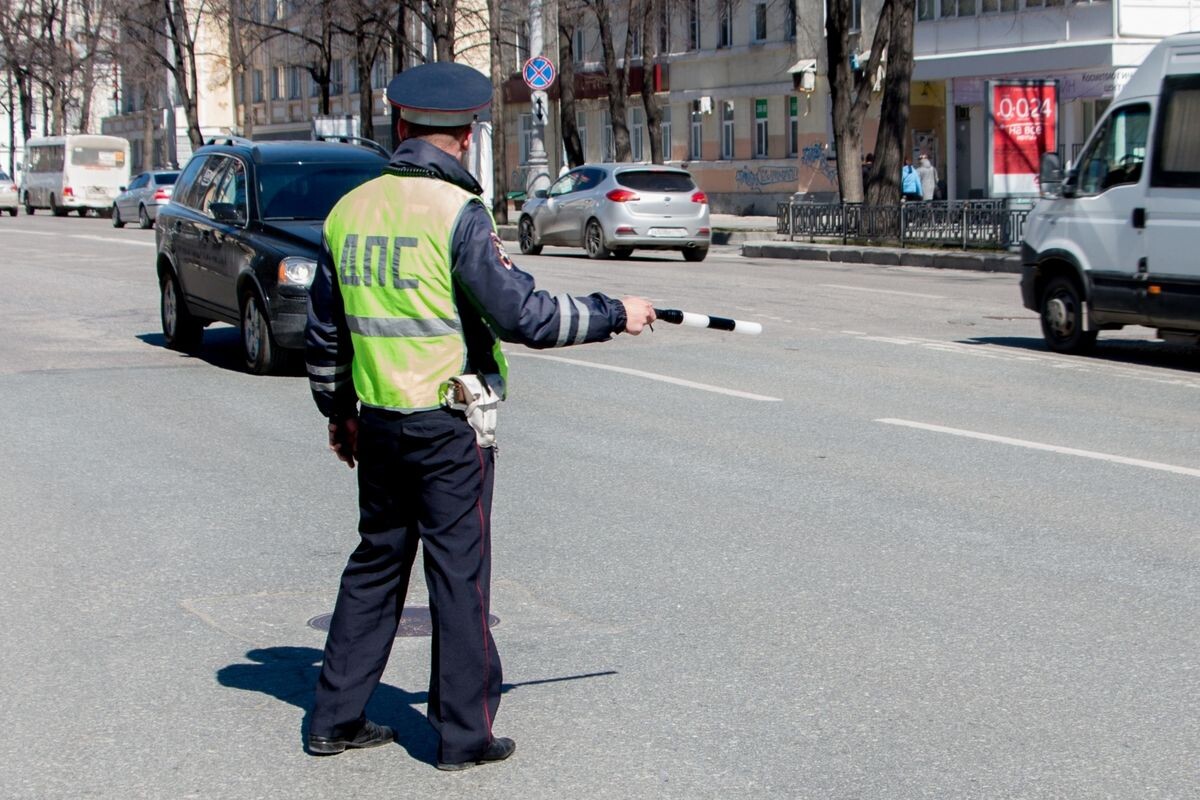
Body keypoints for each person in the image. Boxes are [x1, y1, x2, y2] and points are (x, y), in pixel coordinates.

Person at [303, 62, 656, 770]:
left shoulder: (350, 211)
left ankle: (334, 718)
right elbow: (523, 313)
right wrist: (616, 312)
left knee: (375, 564)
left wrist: (338, 413)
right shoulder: (454, 214)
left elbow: (326, 334)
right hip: (448, 424)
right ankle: (463, 737)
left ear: (401, 128)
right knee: (458, 577)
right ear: (464, 138)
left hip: (378, 421)